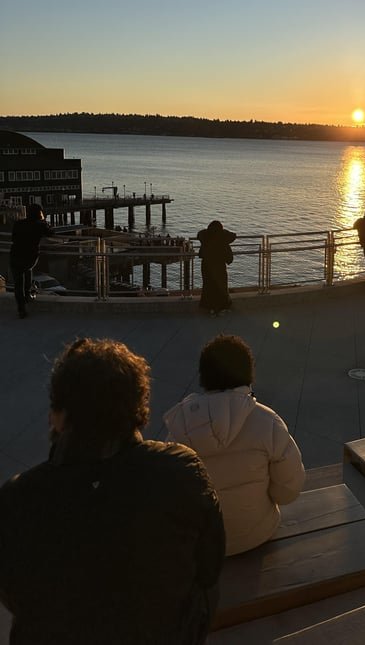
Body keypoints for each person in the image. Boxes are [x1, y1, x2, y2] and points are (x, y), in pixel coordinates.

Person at [0, 338, 225, 645]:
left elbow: (13, 594)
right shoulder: (182, 471)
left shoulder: (16, 499)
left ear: (61, 417)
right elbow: (210, 566)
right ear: (138, 407)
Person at [164, 335, 305, 557]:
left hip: (204, 543)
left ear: (203, 378)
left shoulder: (179, 426)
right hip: (258, 533)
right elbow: (289, 489)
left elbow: (170, 496)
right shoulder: (268, 421)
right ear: (249, 376)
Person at [9, 203, 51, 318]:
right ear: (39, 213)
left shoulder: (19, 223)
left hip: (15, 256)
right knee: (27, 270)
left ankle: (21, 309)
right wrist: (45, 223)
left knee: (18, 284)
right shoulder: (40, 225)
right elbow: (51, 233)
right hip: (29, 258)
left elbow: (13, 238)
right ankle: (27, 295)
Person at [197, 219, 236, 315]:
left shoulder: (205, 236)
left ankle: (209, 307)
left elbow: (199, 234)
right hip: (219, 265)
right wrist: (222, 232)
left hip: (206, 265)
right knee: (221, 286)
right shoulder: (222, 237)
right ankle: (221, 306)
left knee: (208, 286)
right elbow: (233, 236)